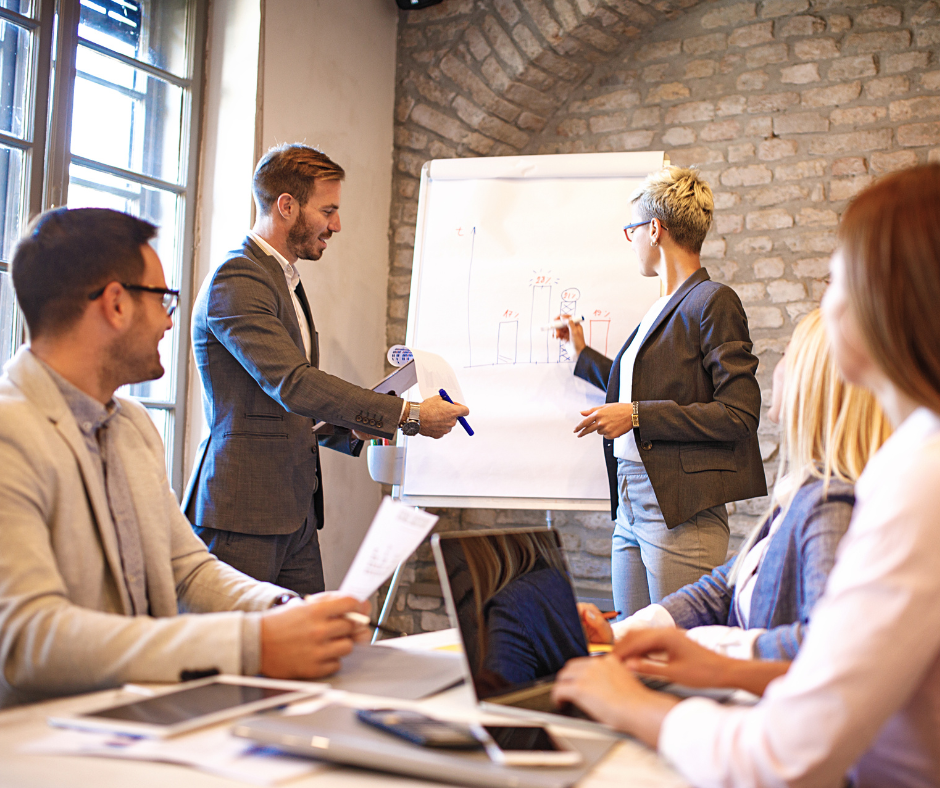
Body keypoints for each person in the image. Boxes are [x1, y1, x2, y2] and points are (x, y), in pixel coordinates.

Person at [552, 165, 940, 786]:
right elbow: (743, 608)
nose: (823, 297)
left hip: (673, 504)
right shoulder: (901, 462)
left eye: (836, 276)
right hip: (633, 500)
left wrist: (640, 703)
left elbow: (788, 751)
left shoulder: (906, 484)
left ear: (886, 298)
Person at [0, 207, 370, 709]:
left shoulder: (130, 426)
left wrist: (283, 609)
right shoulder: (10, 433)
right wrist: (251, 645)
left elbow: (187, 570)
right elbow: (29, 638)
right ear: (115, 304)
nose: (171, 321)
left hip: (137, 718)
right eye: (163, 299)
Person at [183, 144, 468, 595]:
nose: (336, 225)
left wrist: (346, 427)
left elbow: (279, 403)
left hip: (294, 511)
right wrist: (408, 415)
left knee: (309, 658)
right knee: (240, 658)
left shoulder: (282, 278)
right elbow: (292, 383)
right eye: (328, 210)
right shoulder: (237, 278)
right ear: (287, 206)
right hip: (243, 514)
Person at [579, 309, 890, 660]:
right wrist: (622, 633)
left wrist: (703, 648)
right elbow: (721, 590)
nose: (776, 366)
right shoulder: (801, 491)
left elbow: (824, 644)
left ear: (815, 379)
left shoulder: (832, 504)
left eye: (788, 353)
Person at [556, 166, 766, 616]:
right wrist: (582, 354)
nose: (629, 240)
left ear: (654, 229)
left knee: (676, 656)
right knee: (632, 650)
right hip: (631, 501)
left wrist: (635, 415)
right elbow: (643, 386)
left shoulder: (713, 300)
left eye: (630, 229)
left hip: (678, 508)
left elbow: (739, 415)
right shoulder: (660, 309)